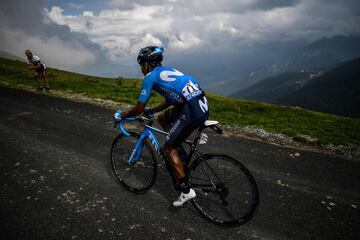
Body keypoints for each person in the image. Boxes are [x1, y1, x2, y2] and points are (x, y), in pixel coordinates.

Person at [113, 46, 209, 207]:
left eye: (141, 64)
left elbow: (138, 108)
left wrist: (120, 115)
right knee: (163, 118)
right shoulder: (168, 70)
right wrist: (152, 110)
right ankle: (179, 152)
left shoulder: (150, 77)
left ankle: (186, 191)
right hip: (201, 105)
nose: (141, 69)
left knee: (167, 148)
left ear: (146, 64)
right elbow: (170, 100)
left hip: (190, 111)